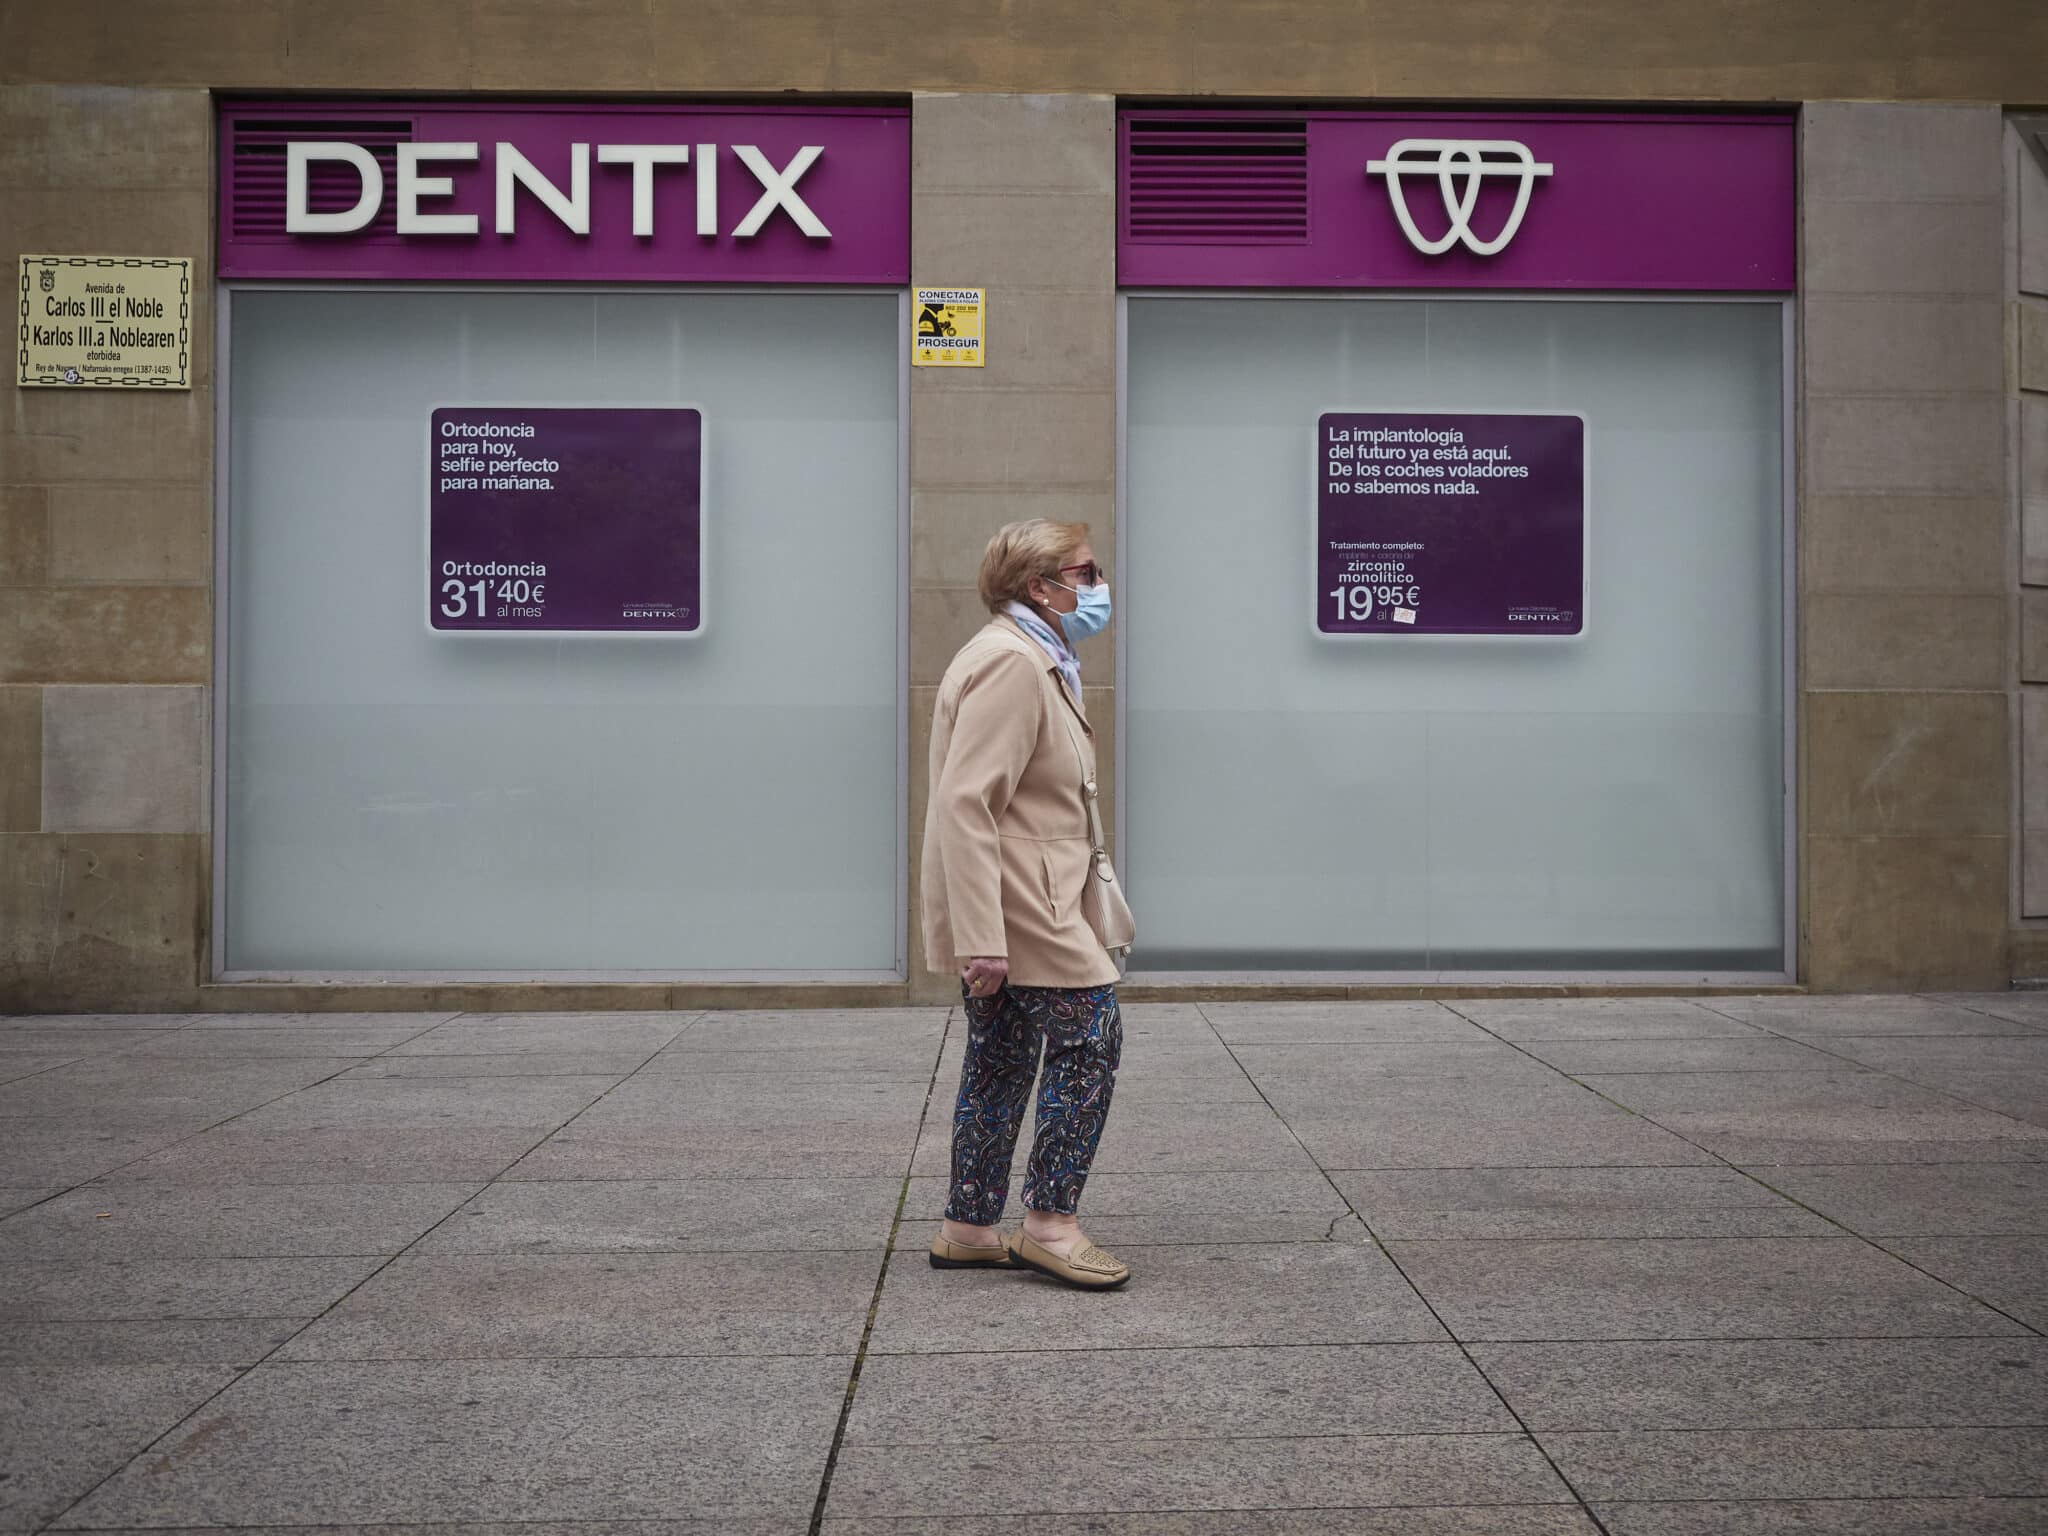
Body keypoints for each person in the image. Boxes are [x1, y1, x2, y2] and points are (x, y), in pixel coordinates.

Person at [920, 519, 1130, 1290]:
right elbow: (968, 804)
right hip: (1023, 906)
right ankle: (1050, 1224)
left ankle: (970, 1226)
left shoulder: (1035, 656)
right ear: (1039, 587)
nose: (1097, 584)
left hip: (1020, 898)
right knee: (1091, 1040)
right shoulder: (1013, 664)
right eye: (1085, 571)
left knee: (1003, 1056)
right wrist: (984, 938)